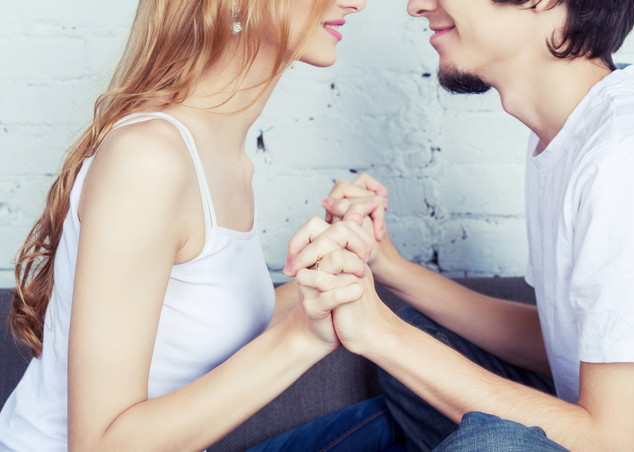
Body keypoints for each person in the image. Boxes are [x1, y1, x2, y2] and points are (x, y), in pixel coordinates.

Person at [284, 0, 634, 450]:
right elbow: (562, 339)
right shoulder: (567, 136)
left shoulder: (629, 157)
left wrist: (381, 333)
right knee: (423, 340)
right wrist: (388, 268)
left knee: (484, 440)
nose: (417, 7)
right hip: (584, 420)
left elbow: (615, 441)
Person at [0, 0, 404, 450]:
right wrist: (301, 339)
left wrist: (337, 262)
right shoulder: (151, 157)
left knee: (411, 416)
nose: (357, 2)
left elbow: (204, 320)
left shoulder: (225, 158)